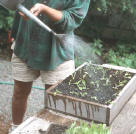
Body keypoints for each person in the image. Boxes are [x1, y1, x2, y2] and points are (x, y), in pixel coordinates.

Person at [9, 0, 90, 133]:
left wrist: (44, 9)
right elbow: (17, 4)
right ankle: (15, 128)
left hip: (58, 52)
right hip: (25, 42)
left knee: (57, 101)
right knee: (19, 92)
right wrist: (15, 28)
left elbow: (70, 20)